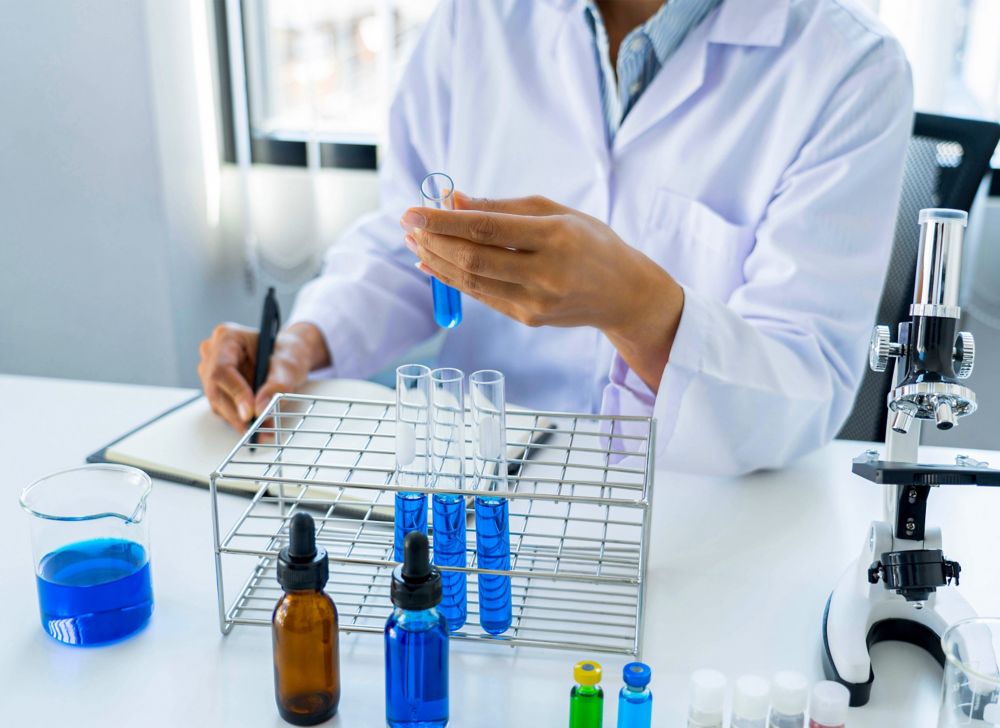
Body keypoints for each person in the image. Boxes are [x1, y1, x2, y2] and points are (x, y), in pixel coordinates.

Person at [198, 0, 913, 475]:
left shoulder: (848, 68)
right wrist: (304, 343)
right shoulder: (478, 18)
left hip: (696, 509)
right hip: (481, 482)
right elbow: (409, 239)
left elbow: (803, 384)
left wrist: (641, 309)